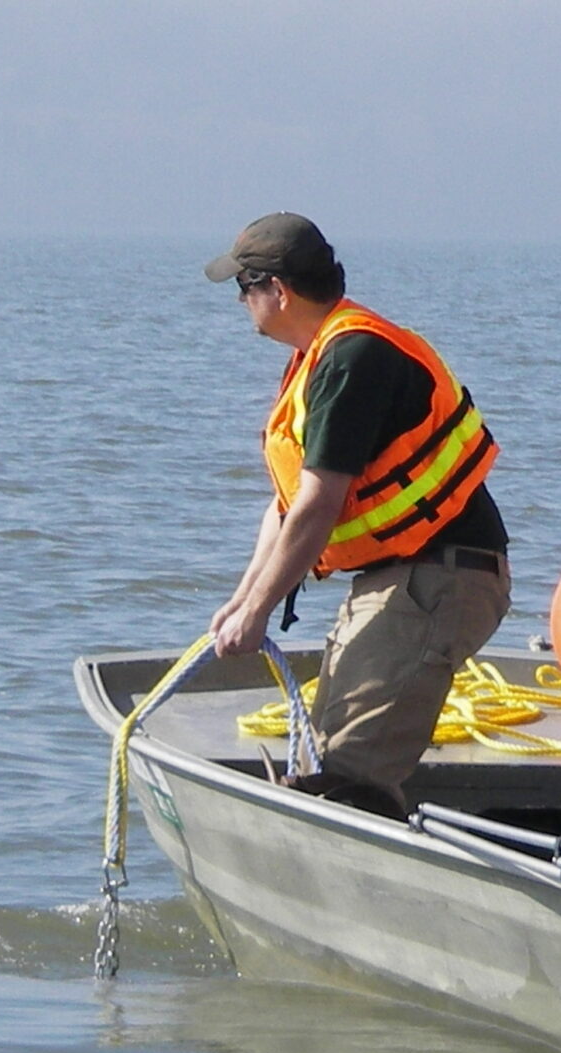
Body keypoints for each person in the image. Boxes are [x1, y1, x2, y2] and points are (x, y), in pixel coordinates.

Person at [204, 212, 511, 815]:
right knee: (325, 755)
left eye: (244, 289)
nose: (242, 304)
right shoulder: (320, 356)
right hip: (400, 578)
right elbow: (289, 501)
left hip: (438, 578)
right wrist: (243, 601)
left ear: (278, 291)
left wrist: (262, 609)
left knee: (349, 776)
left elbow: (319, 506)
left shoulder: (352, 357)